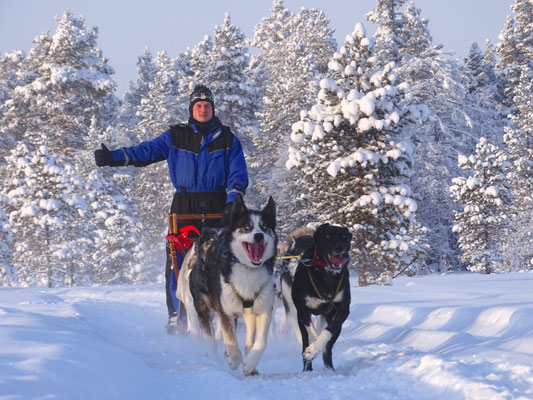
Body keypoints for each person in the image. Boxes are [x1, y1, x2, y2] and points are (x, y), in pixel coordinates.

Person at [94, 84, 248, 333]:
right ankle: (178, 313)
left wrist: (233, 202)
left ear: (213, 108)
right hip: (184, 205)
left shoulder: (228, 139)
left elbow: (238, 175)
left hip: (218, 205)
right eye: (198, 106)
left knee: (225, 258)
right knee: (178, 259)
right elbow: (146, 151)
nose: (203, 109)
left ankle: (231, 311)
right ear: (191, 109)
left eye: (207, 105)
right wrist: (113, 157)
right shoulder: (176, 136)